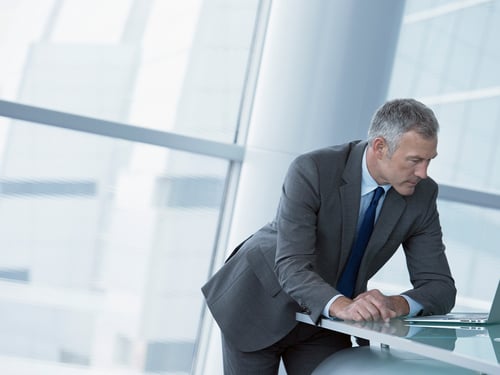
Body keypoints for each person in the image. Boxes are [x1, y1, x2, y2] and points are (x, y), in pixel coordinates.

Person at [202, 98, 456, 375]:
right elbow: (291, 266)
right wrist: (343, 306)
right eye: (415, 161)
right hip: (261, 302)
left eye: (429, 161)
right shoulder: (313, 169)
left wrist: (394, 303)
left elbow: (440, 286)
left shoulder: (423, 194)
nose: (423, 173)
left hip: (326, 316)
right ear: (380, 147)